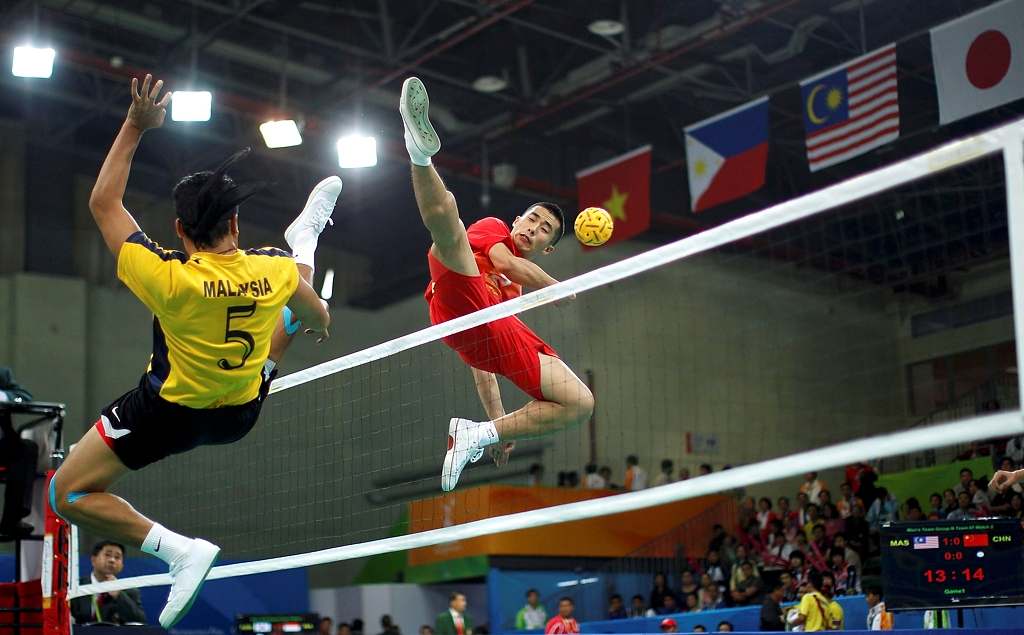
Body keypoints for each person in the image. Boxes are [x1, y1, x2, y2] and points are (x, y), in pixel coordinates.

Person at [49, 75, 333, 629]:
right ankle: (307, 240)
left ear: (179, 229)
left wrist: (136, 123)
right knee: (293, 312)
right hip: (239, 413)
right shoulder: (271, 267)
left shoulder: (168, 277)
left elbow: (103, 202)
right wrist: (316, 319)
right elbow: (323, 315)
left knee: (66, 493)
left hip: (168, 416)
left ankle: (179, 550)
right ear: (235, 223)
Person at [399, 77, 593, 491]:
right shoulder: (494, 231)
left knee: (580, 403)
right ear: (517, 220)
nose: (535, 229)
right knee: (448, 220)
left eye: (546, 231)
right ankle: (419, 152)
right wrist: (554, 288)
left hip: (483, 331)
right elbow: (506, 263)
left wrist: (497, 424)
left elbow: (485, 366)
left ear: (546, 247)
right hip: (457, 292)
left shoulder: (514, 298)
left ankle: (478, 436)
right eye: (533, 219)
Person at [0, 366, 41, 536]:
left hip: (2, 446)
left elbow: (25, 398)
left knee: (26, 449)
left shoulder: (3, 375)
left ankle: (12, 520)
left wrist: (2, 396)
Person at [69, 540, 147, 624]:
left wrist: (119, 595)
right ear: (93, 560)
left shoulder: (130, 592)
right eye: (107, 555)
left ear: (121, 566)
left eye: (117, 557)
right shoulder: (76, 586)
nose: (112, 560)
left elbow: (140, 622)